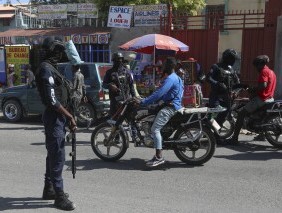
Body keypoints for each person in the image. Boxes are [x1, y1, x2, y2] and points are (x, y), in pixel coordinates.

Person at [35, 37, 76, 211]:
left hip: (58, 117)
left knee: (53, 154)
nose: (60, 54)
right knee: (57, 156)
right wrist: (70, 117)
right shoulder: (45, 69)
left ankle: (49, 189)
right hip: (54, 117)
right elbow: (52, 101)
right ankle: (59, 197)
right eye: (57, 51)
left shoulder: (52, 69)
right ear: (52, 51)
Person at [138, 57, 184, 167]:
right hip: (174, 105)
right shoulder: (176, 78)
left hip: (170, 107)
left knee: (155, 128)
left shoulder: (170, 79)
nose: (162, 66)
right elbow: (164, 93)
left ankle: (159, 157)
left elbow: (159, 93)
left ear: (168, 66)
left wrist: (144, 101)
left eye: (164, 65)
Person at [227, 55, 276, 145]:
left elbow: (263, 86)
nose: (256, 68)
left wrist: (252, 89)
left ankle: (234, 138)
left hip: (262, 99)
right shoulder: (271, 72)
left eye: (256, 66)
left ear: (260, 64)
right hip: (270, 98)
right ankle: (262, 134)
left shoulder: (264, 71)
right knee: (258, 115)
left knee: (241, 114)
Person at [103, 52, 138, 143]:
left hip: (126, 100)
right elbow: (103, 85)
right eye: (117, 60)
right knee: (115, 120)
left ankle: (135, 137)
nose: (119, 61)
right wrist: (110, 85)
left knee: (131, 119)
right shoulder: (109, 72)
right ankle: (117, 137)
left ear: (122, 60)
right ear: (113, 61)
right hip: (115, 101)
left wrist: (134, 97)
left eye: (120, 60)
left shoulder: (127, 72)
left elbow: (131, 86)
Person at [206, 48, 242, 127]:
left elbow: (237, 82)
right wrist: (217, 83)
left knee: (222, 117)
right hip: (216, 97)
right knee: (213, 116)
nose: (233, 61)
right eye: (232, 58)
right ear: (226, 58)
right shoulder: (216, 66)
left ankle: (215, 133)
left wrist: (236, 92)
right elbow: (208, 78)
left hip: (227, 98)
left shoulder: (231, 69)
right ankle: (208, 131)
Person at [71, 64, 92, 129]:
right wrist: (84, 95)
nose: (71, 69)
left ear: (75, 67)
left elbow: (74, 87)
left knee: (74, 111)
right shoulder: (81, 75)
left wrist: (69, 90)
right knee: (74, 110)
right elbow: (83, 86)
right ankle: (75, 124)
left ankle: (87, 119)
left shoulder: (76, 75)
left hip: (75, 95)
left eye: (72, 67)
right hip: (80, 95)